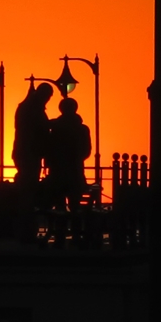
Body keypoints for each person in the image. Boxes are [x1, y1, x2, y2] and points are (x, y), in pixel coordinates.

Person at [45, 96, 92, 240]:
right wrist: (76, 158)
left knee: (59, 206)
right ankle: (77, 236)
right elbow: (87, 150)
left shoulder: (55, 127)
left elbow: (49, 148)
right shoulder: (82, 129)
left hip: (57, 172)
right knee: (75, 206)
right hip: (75, 172)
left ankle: (59, 236)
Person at [11, 83, 54, 187]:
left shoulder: (28, 106)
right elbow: (36, 126)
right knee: (29, 180)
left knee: (28, 179)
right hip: (29, 151)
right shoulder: (33, 108)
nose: (48, 99)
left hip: (26, 150)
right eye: (47, 96)